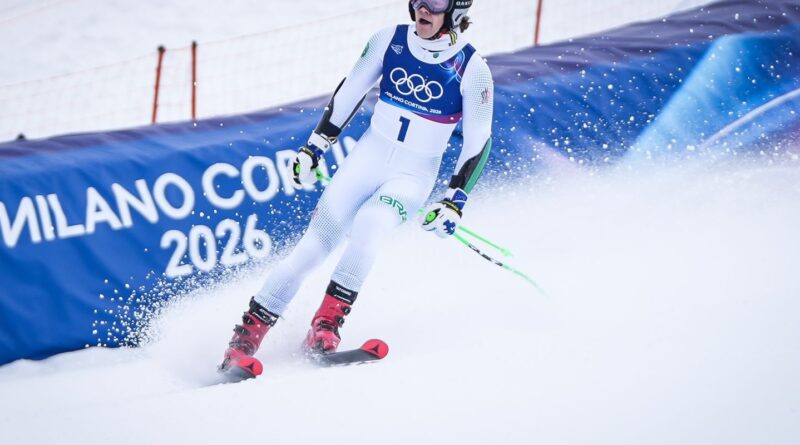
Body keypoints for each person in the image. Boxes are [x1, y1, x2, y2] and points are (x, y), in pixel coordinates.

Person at [219, 0, 494, 378]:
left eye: (435, 2)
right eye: (418, 0)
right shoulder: (388, 40)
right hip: (366, 160)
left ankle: (324, 330)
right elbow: (350, 92)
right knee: (312, 248)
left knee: (370, 225)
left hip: (411, 177)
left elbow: (478, 140)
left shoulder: (472, 68)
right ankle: (242, 344)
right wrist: (315, 146)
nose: (422, 9)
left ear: (456, 10)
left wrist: (454, 201)